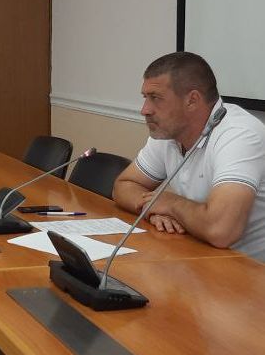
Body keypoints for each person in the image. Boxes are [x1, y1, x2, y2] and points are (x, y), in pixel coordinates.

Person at [112, 51, 265, 261]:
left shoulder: (240, 135)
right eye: (145, 98)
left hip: (248, 270)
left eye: (155, 98)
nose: (145, 110)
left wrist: (171, 204)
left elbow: (221, 230)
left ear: (192, 100)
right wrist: (152, 209)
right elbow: (123, 186)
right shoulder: (168, 132)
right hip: (198, 255)